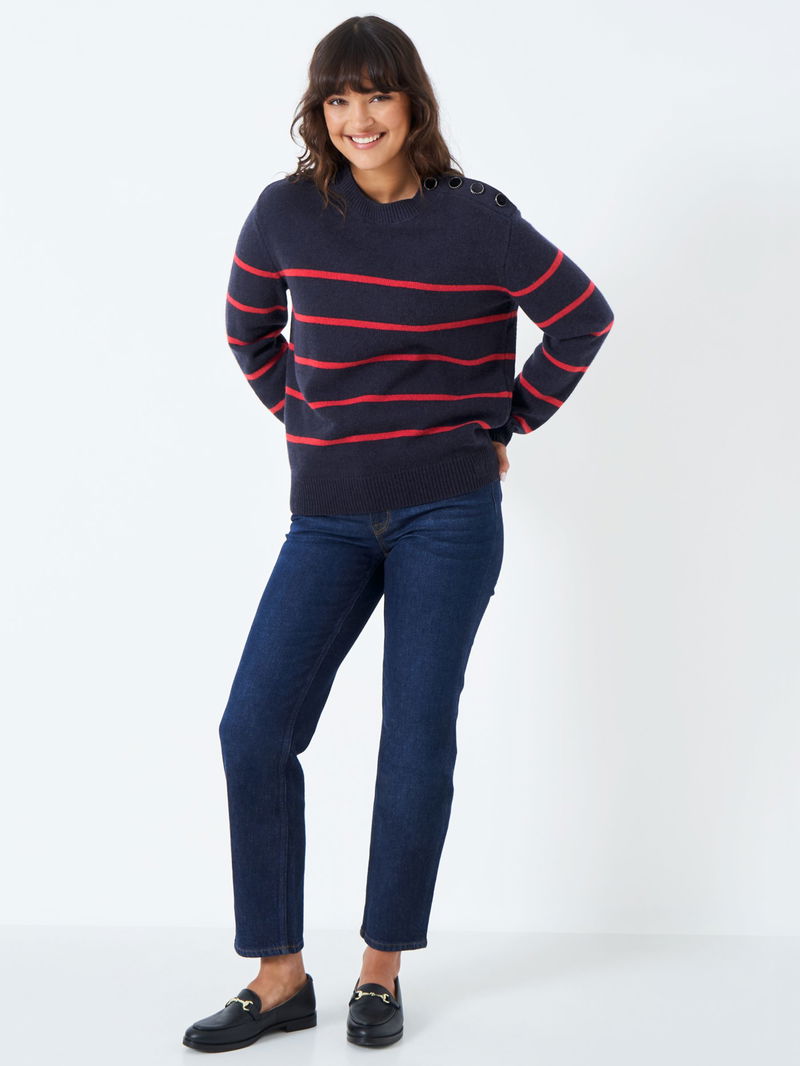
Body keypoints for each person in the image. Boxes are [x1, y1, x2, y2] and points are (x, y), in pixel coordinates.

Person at [183, 13, 614, 1054]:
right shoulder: (285, 212)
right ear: (318, 113)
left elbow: (583, 316)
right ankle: (279, 976)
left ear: (412, 103)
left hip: (448, 516)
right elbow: (248, 330)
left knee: (414, 740)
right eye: (337, 98)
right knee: (253, 728)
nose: (357, 117)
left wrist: (505, 421)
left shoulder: (476, 220)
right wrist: (310, 421)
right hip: (326, 519)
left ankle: (380, 970)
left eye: (375, 93)